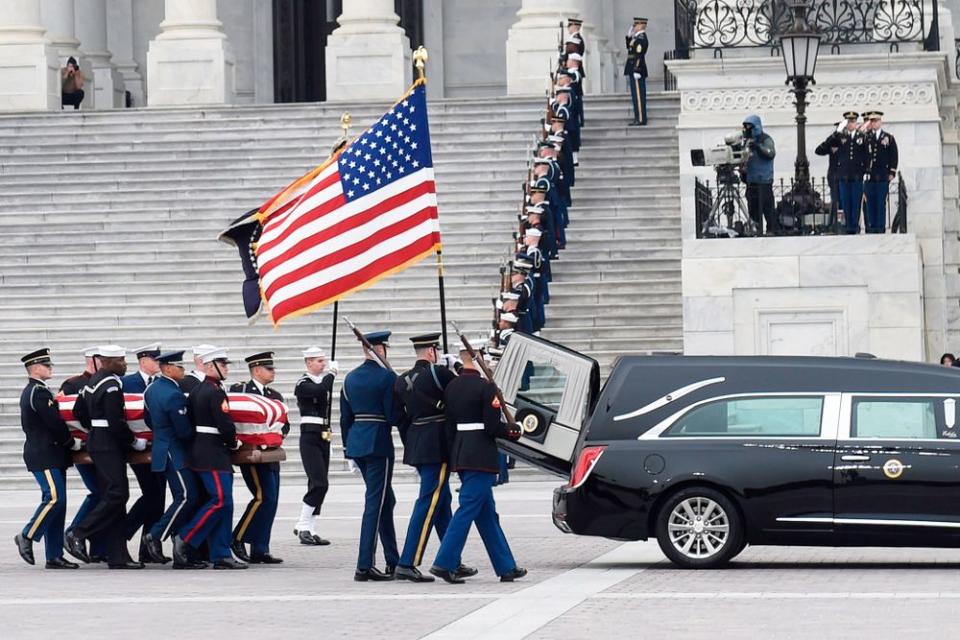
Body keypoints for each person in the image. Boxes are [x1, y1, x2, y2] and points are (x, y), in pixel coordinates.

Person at [429, 340, 526, 584]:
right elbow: (493, 427)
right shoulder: (486, 387)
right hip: (481, 454)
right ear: (480, 357)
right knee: (468, 509)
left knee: (486, 514)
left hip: (462, 453)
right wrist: (513, 430)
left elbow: (450, 428)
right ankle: (444, 562)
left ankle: (506, 566)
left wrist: (454, 457)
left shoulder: (452, 387)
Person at [393, 333, 475, 583]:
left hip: (417, 443)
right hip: (436, 444)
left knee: (442, 501)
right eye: (436, 350)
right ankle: (407, 561)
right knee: (429, 502)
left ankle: (450, 559)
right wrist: (458, 368)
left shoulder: (401, 379)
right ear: (432, 352)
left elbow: (400, 418)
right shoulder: (439, 373)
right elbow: (462, 393)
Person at [65, 345, 148, 569]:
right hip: (108, 444)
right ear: (106, 361)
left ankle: (117, 556)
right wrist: (134, 441)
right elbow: (116, 422)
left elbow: (77, 412)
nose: (124, 364)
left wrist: (93, 427)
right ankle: (78, 532)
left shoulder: (91, 383)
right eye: (120, 360)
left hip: (97, 440)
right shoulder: (110, 385)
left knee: (113, 498)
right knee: (118, 493)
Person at [172, 347, 247, 570]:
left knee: (226, 503)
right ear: (208, 366)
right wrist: (234, 443)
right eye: (221, 364)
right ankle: (185, 538)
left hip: (205, 451)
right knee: (221, 500)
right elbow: (224, 424)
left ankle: (221, 553)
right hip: (213, 454)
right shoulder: (214, 392)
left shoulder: (198, 390)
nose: (225, 368)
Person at [340, 331, 401, 581]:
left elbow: (345, 418)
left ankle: (393, 560)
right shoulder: (386, 377)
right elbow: (393, 416)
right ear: (380, 350)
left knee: (387, 499)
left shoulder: (350, 378)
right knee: (375, 504)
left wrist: (347, 450)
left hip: (356, 442)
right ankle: (364, 565)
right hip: (378, 443)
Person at [15, 348, 81, 569]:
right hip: (44, 454)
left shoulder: (39, 391)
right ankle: (27, 535)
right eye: (47, 365)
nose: (51, 368)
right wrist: (71, 442)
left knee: (59, 505)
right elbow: (54, 423)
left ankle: (54, 556)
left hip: (52, 453)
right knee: (54, 498)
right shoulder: (38, 393)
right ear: (35, 368)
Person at [142, 351, 206, 569]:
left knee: (185, 496)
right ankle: (156, 534)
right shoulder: (173, 394)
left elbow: (148, 419)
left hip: (164, 447)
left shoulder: (151, 389)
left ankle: (181, 551)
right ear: (168, 368)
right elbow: (184, 430)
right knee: (187, 497)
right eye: (180, 367)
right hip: (175, 451)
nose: (183, 370)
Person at [230, 352, 286, 564]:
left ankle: (260, 548)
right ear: (256, 370)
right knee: (264, 497)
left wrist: (272, 437)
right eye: (269, 369)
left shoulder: (275, 395)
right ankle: (238, 537)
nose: (273, 372)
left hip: (270, 452)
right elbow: (237, 419)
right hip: (251, 452)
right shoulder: (241, 390)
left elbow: (284, 423)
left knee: (272, 501)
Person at [60, 345, 107, 563]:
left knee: (105, 494)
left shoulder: (106, 381)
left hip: (103, 445)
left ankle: (98, 547)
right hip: (84, 448)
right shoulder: (72, 385)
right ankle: (75, 531)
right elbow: (66, 414)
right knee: (98, 492)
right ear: (92, 360)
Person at [121, 343, 166, 563]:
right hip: (137, 448)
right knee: (152, 494)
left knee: (158, 497)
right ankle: (124, 532)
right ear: (142, 361)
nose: (158, 363)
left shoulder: (161, 383)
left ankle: (147, 549)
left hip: (158, 447)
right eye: (154, 359)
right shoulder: (127, 383)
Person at [292, 346, 339, 546]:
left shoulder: (321, 381)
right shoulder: (303, 383)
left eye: (324, 360)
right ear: (308, 362)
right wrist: (332, 374)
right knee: (320, 483)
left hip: (323, 435)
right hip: (309, 436)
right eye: (319, 361)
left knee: (318, 484)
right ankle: (302, 524)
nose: (323, 364)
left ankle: (310, 528)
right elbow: (320, 391)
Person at [863, 111, 899, 234]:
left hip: (882, 175)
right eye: (872, 121)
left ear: (880, 122)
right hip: (869, 176)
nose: (874, 123)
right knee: (870, 203)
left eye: (876, 121)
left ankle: (880, 227)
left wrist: (892, 172)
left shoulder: (888, 138)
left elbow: (893, 155)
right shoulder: (866, 137)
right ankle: (872, 227)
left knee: (880, 203)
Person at [741, 114, 777, 235]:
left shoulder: (765, 139)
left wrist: (758, 147)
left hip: (764, 180)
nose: (747, 130)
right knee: (753, 209)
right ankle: (756, 230)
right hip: (751, 180)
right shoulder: (745, 141)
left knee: (767, 208)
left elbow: (770, 153)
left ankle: (771, 229)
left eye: (749, 127)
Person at [626, 18, 648, 126]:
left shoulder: (641, 38)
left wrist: (636, 69)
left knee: (639, 96)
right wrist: (629, 37)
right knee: (635, 96)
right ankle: (637, 117)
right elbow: (630, 49)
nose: (634, 27)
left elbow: (639, 55)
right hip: (632, 68)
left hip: (637, 69)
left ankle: (640, 119)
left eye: (635, 25)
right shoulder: (636, 37)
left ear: (641, 26)